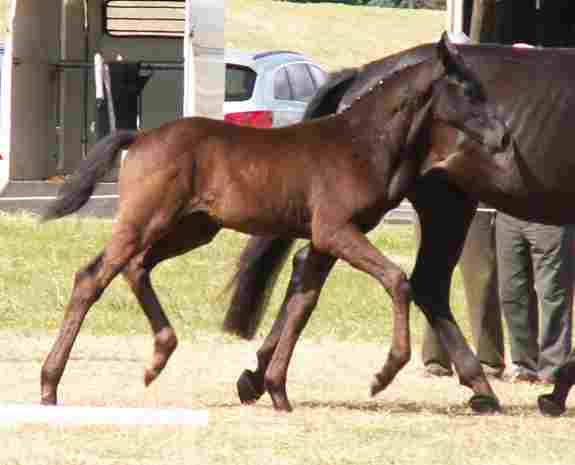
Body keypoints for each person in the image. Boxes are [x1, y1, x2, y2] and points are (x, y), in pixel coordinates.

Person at [419, 204, 506, 379]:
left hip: (475, 198)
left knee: (481, 279)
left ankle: (488, 360)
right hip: (428, 197)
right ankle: (435, 360)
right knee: (430, 279)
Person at [495, 212, 574, 384]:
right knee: (511, 294)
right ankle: (525, 367)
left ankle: (554, 368)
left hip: (551, 216)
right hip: (508, 214)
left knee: (553, 295)